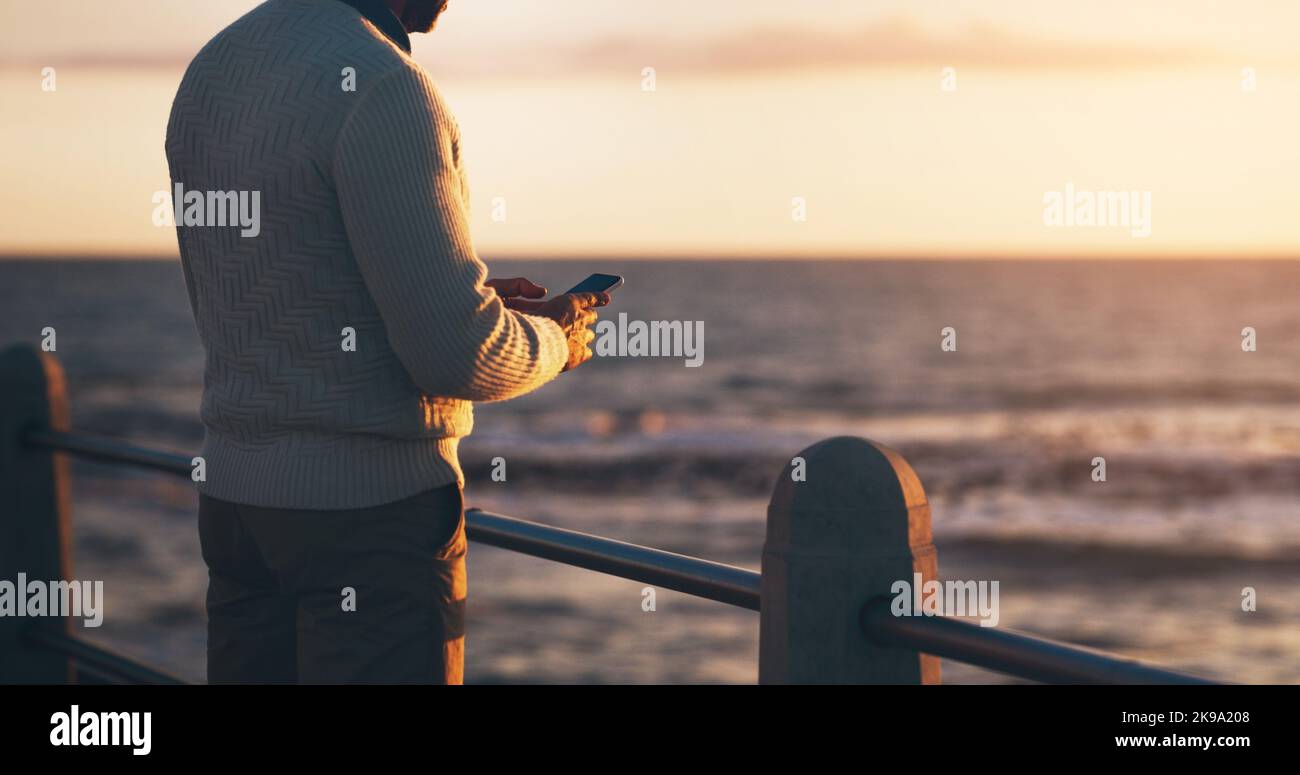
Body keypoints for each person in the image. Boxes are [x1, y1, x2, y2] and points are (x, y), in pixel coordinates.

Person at [164, 0, 606, 684]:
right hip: (368, 523)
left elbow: (284, 288)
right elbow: (458, 355)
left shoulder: (213, 69)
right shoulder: (383, 85)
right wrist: (557, 334)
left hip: (236, 507)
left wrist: (463, 299)